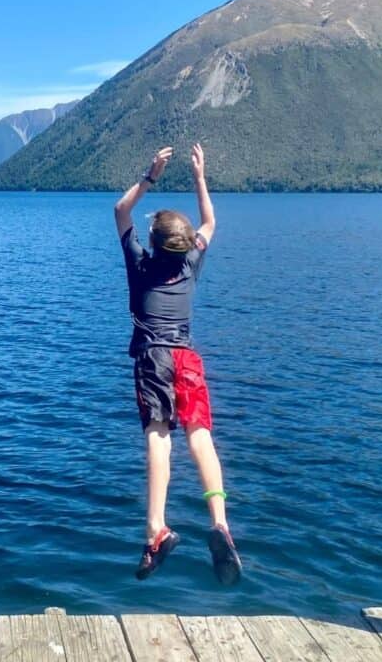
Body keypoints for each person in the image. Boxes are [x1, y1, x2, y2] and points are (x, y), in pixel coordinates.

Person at [113, 143, 242, 585]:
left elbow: (120, 210)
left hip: (154, 358)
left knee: (159, 438)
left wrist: (151, 175)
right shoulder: (191, 262)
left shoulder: (140, 265)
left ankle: (156, 528)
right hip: (188, 358)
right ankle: (220, 523)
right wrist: (200, 177)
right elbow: (209, 222)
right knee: (201, 437)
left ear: (152, 242)